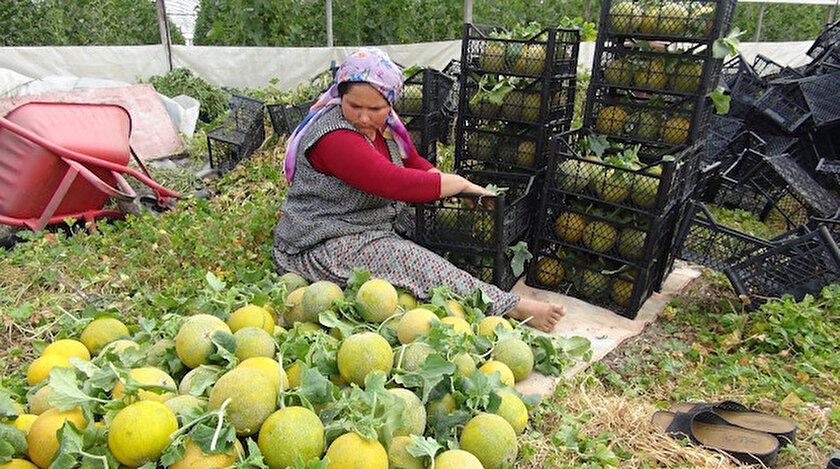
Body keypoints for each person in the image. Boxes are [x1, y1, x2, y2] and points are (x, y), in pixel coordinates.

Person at [272, 47, 565, 332]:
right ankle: (508, 305)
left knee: (434, 236)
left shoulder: (387, 126)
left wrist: (445, 183)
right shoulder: (334, 136)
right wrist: (460, 184)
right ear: (340, 96)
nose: (363, 117)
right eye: (354, 106)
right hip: (321, 243)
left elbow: (411, 161)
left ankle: (464, 285)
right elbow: (392, 181)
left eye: (374, 108)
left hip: (370, 223)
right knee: (411, 260)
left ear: (390, 103)